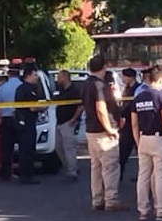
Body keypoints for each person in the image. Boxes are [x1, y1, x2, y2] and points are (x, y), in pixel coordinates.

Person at [133, 65, 162, 221]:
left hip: (144, 138)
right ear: (160, 80)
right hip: (160, 139)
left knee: (143, 176)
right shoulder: (161, 95)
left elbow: (134, 123)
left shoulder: (138, 97)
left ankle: (143, 210)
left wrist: (138, 141)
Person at [81, 55, 125, 211]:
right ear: (104, 67)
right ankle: (111, 200)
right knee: (110, 166)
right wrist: (110, 129)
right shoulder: (99, 86)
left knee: (96, 167)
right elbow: (101, 108)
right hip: (103, 133)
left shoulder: (86, 84)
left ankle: (97, 199)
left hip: (91, 130)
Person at [13, 65, 43, 184]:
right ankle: (25, 176)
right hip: (25, 123)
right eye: (35, 75)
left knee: (30, 149)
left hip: (30, 122)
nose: (36, 78)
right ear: (29, 75)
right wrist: (42, 107)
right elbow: (32, 107)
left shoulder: (31, 88)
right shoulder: (24, 89)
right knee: (26, 149)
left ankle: (28, 174)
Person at [52, 69, 81, 181]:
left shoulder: (74, 90)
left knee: (69, 148)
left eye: (59, 77)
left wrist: (73, 119)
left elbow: (80, 106)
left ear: (65, 77)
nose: (57, 80)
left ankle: (72, 171)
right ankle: (70, 166)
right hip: (59, 122)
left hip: (68, 123)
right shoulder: (60, 90)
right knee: (58, 147)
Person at [116, 67, 140, 179]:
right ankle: (119, 175)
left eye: (124, 76)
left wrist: (122, 111)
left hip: (137, 123)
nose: (122, 79)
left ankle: (141, 175)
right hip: (127, 125)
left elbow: (131, 106)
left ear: (131, 77)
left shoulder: (138, 89)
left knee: (140, 151)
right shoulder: (126, 89)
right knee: (123, 151)